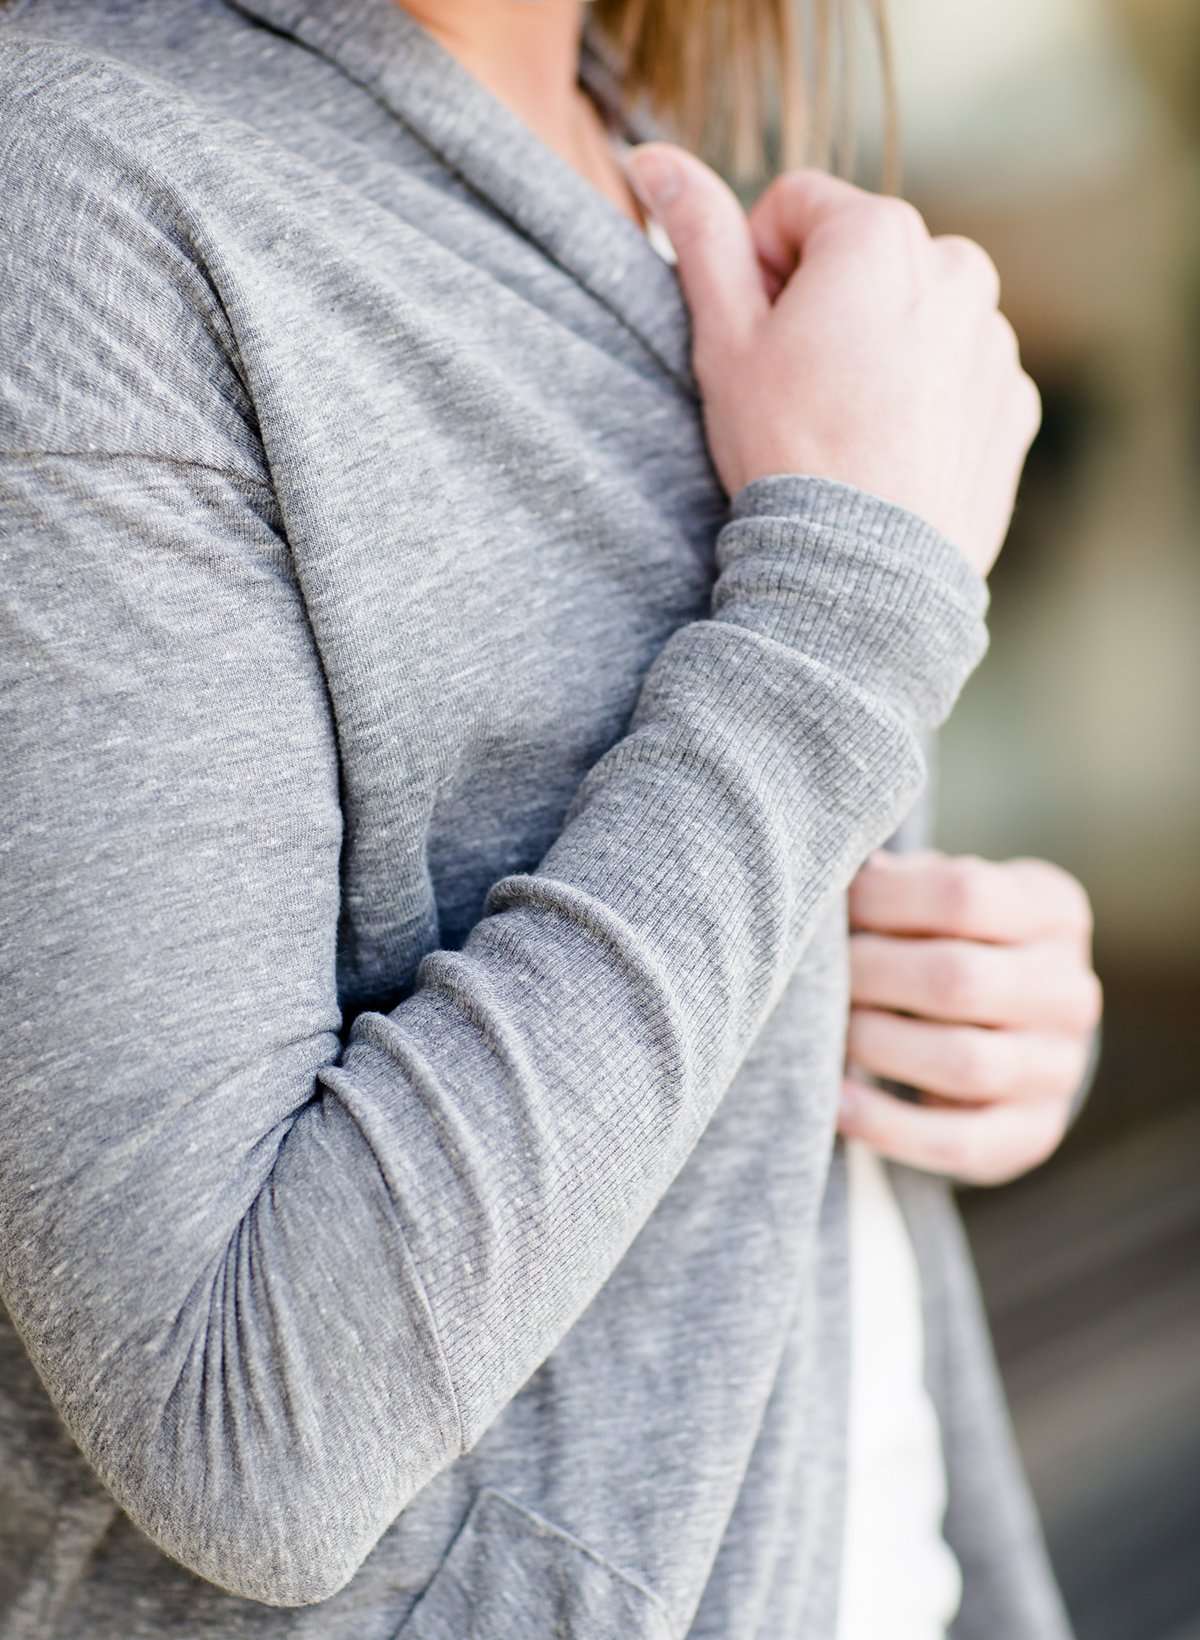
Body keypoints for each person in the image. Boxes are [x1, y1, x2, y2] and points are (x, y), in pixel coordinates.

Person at [0, 1, 1102, 1636]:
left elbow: (707, 927)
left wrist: (936, 1013)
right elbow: (245, 1423)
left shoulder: (641, 151)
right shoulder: (78, 186)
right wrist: (850, 606)